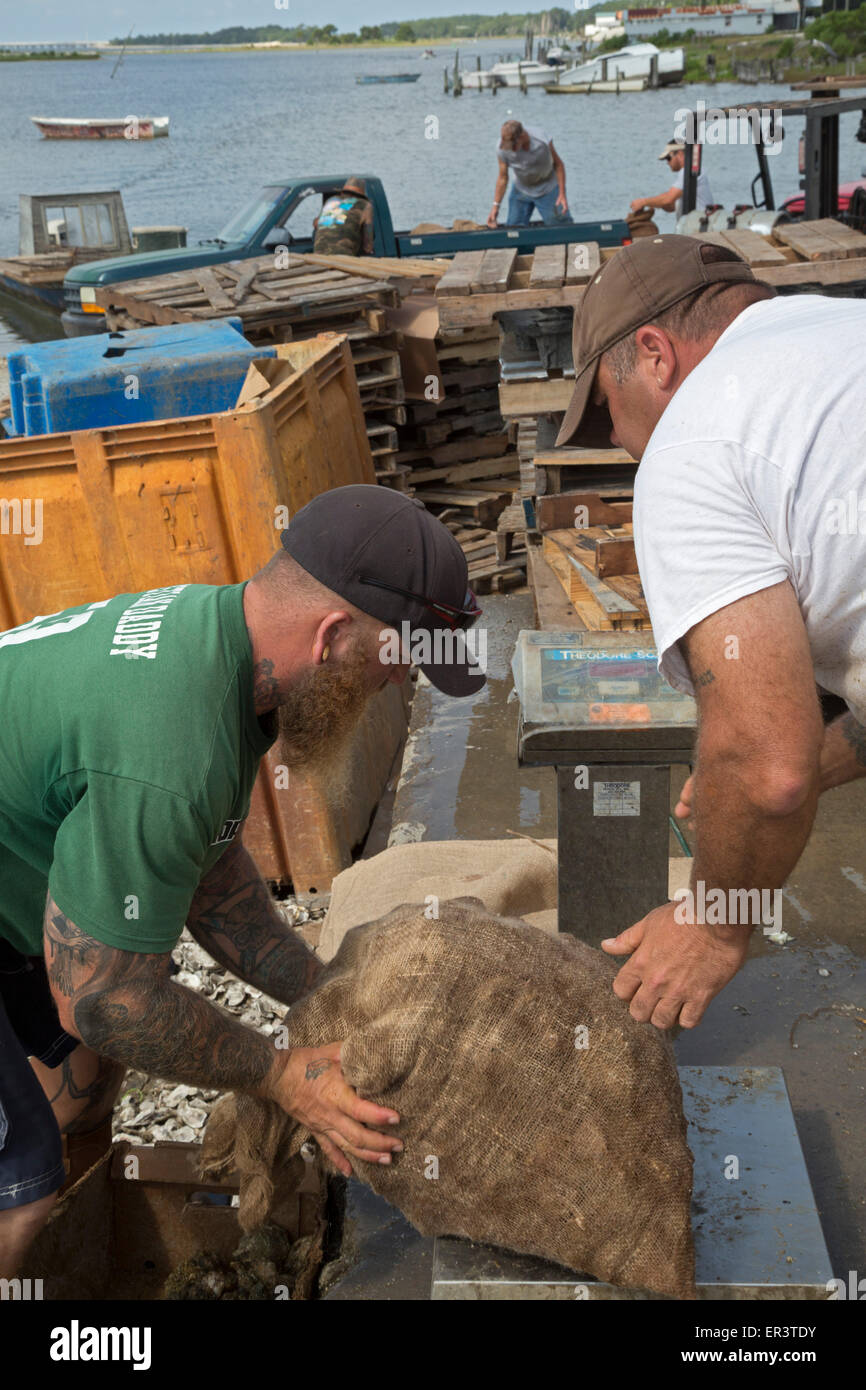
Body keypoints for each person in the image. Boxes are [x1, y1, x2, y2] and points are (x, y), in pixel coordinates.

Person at [0, 485, 485, 1276]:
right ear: (333, 635)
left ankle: (70, 1268)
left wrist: (327, 994)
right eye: (398, 659)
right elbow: (105, 1002)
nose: (399, 683)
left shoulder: (223, 646)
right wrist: (282, 1074)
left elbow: (210, 876)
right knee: (17, 1190)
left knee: (83, 1088)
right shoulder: (169, 743)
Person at [555, 234, 866, 1032]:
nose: (616, 440)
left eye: (607, 410)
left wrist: (713, 921)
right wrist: (821, 759)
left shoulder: (695, 437)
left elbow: (767, 771)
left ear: (654, 355)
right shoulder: (840, 339)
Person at [488, 120, 571, 228]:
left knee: (561, 227)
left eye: (513, 146)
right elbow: (503, 177)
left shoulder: (542, 140)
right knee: (513, 230)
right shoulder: (502, 148)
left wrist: (562, 194)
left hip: (548, 188)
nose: (511, 150)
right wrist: (495, 206)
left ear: (521, 136)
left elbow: (558, 165)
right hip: (521, 190)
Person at [630, 139, 715, 221]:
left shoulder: (687, 172)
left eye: (668, 158)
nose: (667, 162)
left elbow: (668, 199)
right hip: (697, 223)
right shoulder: (690, 172)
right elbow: (671, 206)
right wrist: (655, 203)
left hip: (698, 224)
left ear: (680, 154)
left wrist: (643, 202)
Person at [313, 177, 375, 256]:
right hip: (342, 256)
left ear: (343, 191)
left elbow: (316, 224)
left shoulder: (331, 200)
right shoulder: (365, 205)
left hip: (318, 254)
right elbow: (368, 244)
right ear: (361, 195)